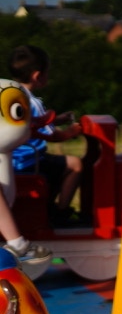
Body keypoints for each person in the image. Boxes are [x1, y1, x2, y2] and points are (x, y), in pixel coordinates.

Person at [8, 45, 84, 227]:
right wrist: (71, 132)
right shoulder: (33, 101)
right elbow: (53, 136)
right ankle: (60, 213)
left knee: (55, 164)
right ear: (37, 76)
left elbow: (30, 122)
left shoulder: (10, 94)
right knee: (75, 164)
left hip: (10, 160)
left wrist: (56, 119)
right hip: (29, 161)